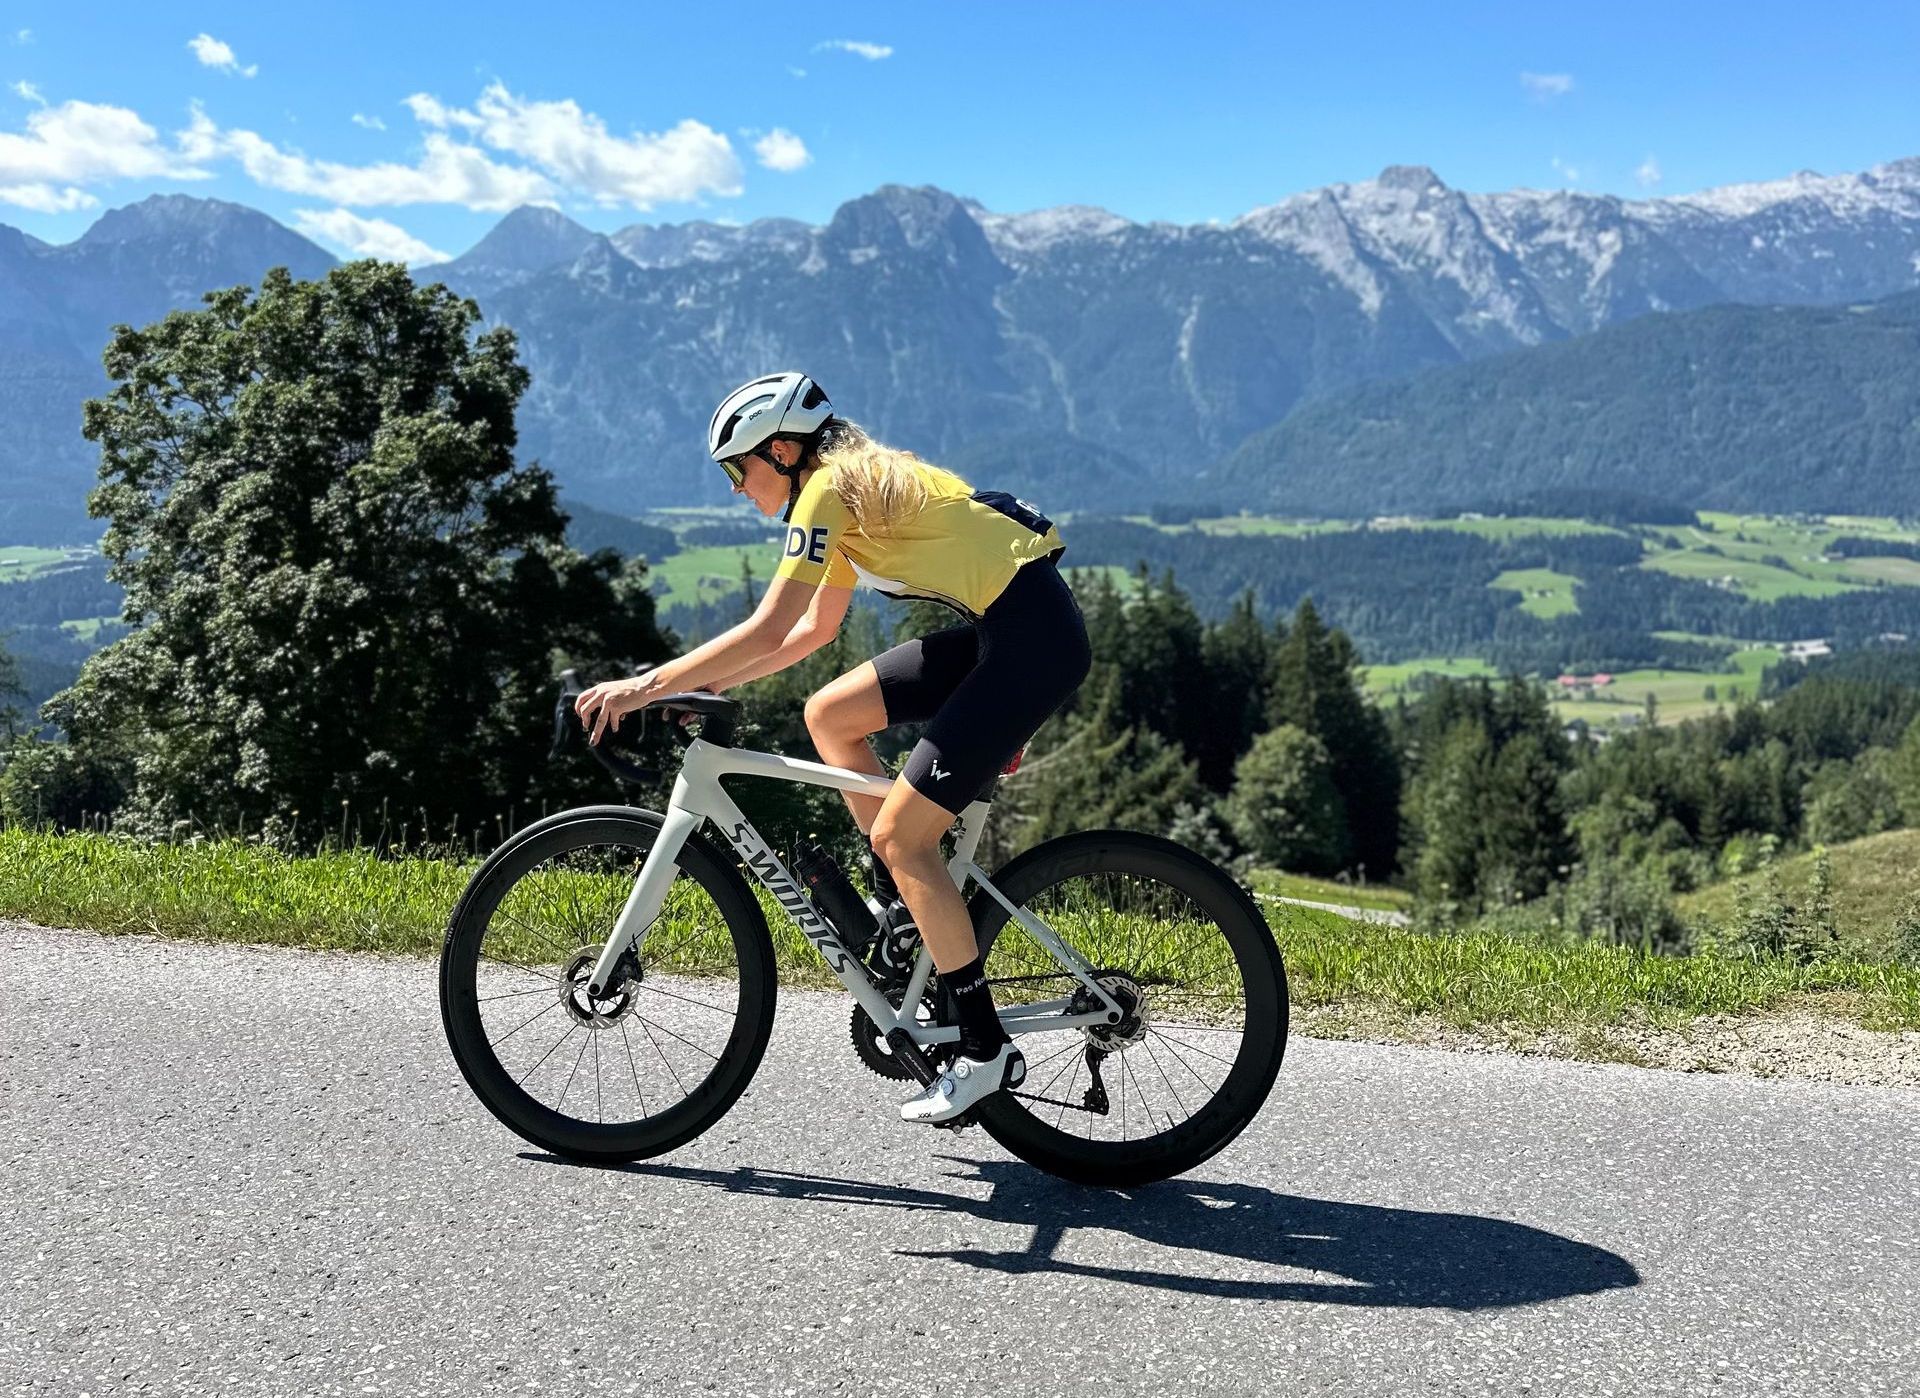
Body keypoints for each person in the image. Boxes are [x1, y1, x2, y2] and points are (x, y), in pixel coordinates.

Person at [574, 371, 1092, 1124]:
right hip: (1009, 634)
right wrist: (706, 688)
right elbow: (808, 635)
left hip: (1029, 645)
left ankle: (982, 1050)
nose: (733, 487)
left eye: (737, 468)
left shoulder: (825, 493)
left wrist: (646, 685)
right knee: (831, 715)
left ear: (782, 450)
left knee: (904, 837)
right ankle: (905, 908)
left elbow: (764, 626)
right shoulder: (848, 493)